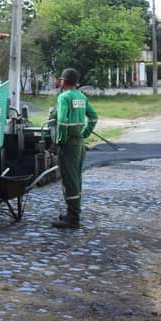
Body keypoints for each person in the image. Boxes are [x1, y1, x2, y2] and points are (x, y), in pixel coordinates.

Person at [52, 68, 98, 230]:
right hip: (79, 144)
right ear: (76, 83)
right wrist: (84, 133)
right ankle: (73, 212)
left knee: (69, 179)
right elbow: (93, 117)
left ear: (63, 82)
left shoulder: (64, 97)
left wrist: (60, 139)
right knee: (76, 178)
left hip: (68, 145)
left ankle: (72, 218)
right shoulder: (81, 96)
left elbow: (62, 121)